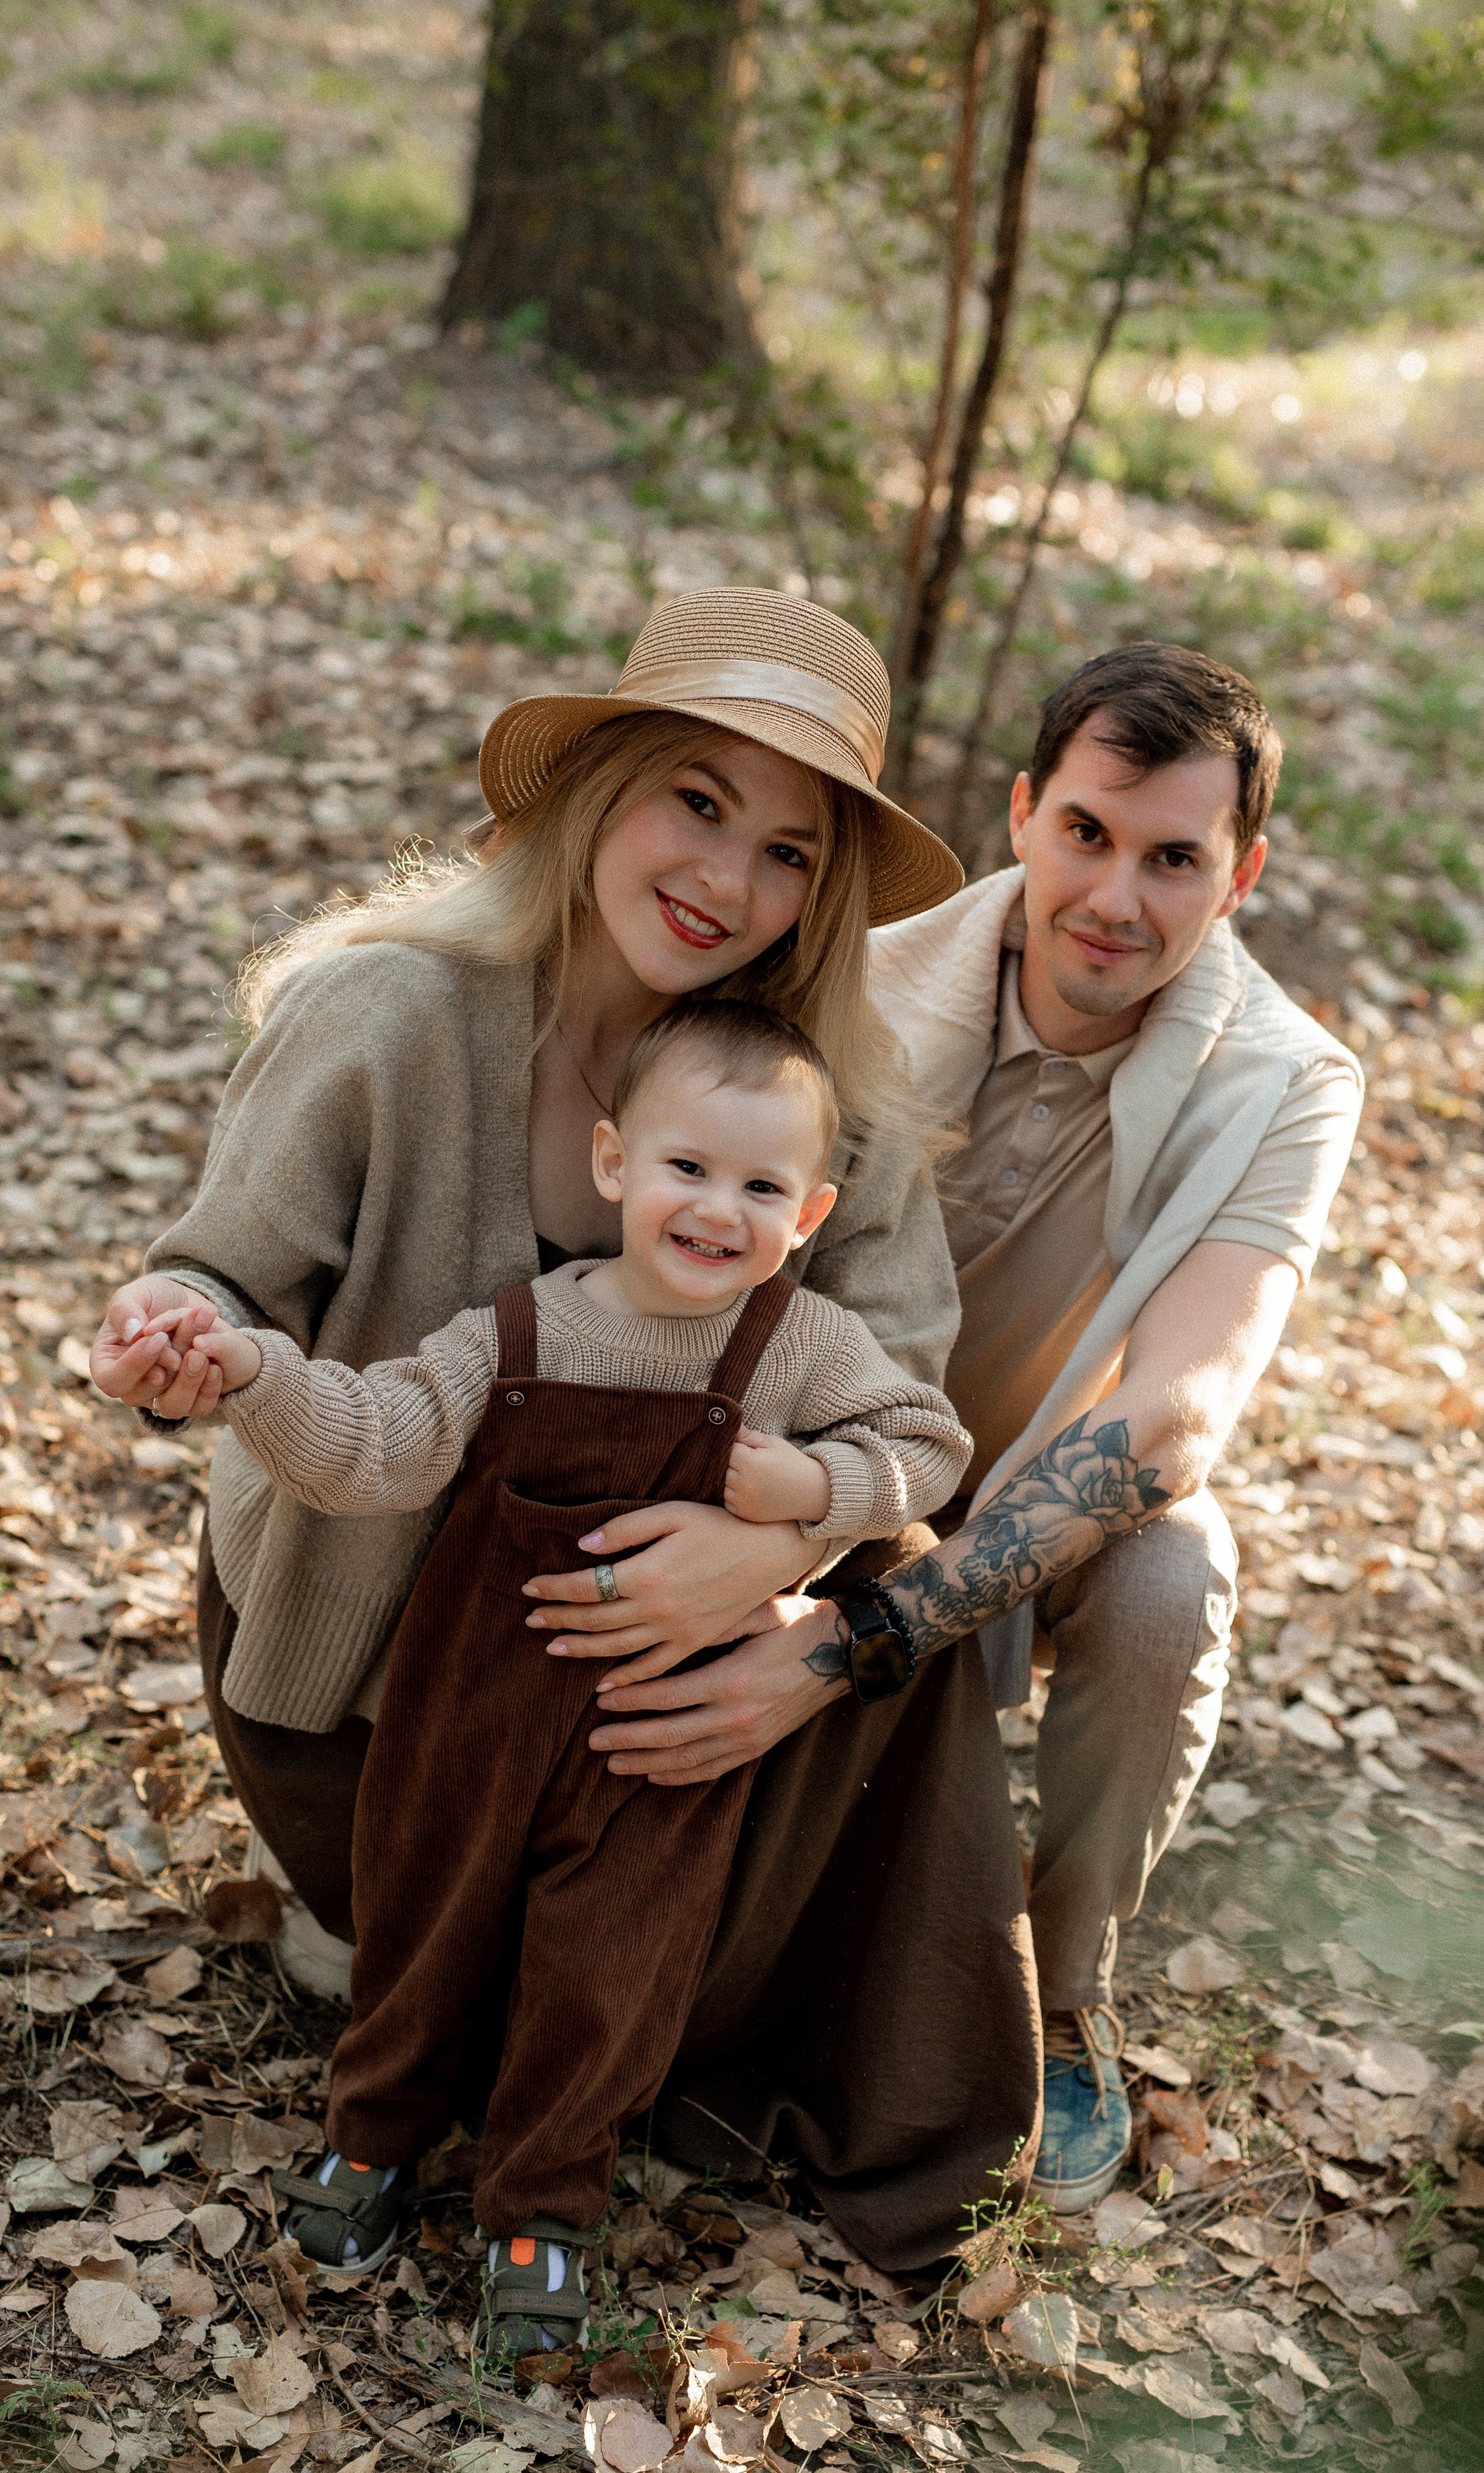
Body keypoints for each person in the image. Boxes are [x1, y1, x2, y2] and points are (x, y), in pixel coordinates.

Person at [88, 584, 1048, 2278]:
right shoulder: (391, 1014)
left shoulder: (812, 1090)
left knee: (898, 1564)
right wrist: (183, 1336)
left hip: (661, 1675)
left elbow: (898, 1377)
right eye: (697, 802)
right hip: (391, 1669)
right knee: (469, 2016)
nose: (727, 879)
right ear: (598, 790)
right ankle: (388, 1934)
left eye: (787, 851)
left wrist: (772, 1547)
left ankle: (799, 2021)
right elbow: (226, 1274)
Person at [561, 643, 1364, 2217]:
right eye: (1085, 834)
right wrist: (790, 1529)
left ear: (1242, 875)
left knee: (1172, 1579)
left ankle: (1058, 1994)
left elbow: (1175, 1417)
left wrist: (848, 1644)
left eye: (1173, 859)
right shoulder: (854, 975)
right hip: (801, 1456)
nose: (1114, 900)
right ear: (1019, 814)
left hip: (1030, 1492)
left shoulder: (1286, 1082)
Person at [126, 1000, 970, 2331]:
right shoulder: (514, 1332)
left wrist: (818, 1490)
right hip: (467, 1714)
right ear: (612, 1163)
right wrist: (257, 1378)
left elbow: (930, 1448)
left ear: (811, 1215)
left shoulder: (801, 1345)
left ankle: (544, 2208)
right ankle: (373, 2139)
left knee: (608, 1969)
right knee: (422, 1925)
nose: (719, 1210)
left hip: (653, 1737)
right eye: (687, 1166)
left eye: (762, 1188)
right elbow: (376, 1443)